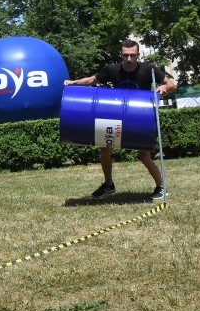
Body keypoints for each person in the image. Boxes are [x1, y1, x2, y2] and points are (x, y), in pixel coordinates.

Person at [64, 40, 177, 201]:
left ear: (138, 54)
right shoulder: (113, 69)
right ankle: (109, 185)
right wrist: (74, 83)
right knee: (104, 150)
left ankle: (161, 186)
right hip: (116, 115)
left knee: (144, 155)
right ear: (121, 55)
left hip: (138, 117)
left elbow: (172, 85)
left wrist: (164, 88)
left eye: (132, 55)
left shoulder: (149, 69)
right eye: (126, 55)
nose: (129, 59)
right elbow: (92, 80)